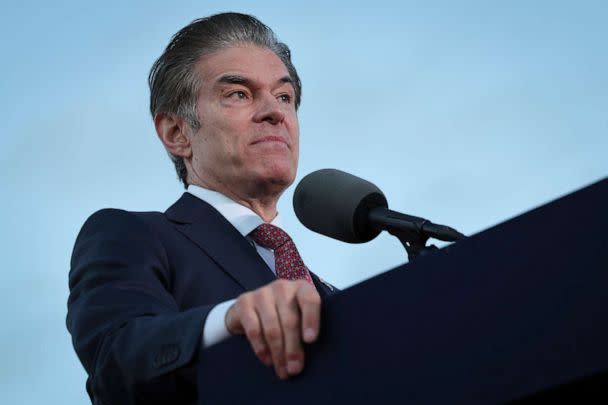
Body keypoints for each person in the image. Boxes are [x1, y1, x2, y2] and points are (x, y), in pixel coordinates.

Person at [66, 12, 337, 405]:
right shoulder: (133, 235)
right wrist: (228, 321)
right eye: (239, 94)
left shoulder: (324, 292)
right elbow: (118, 360)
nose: (275, 112)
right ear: (177, 133)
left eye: (284, 96)